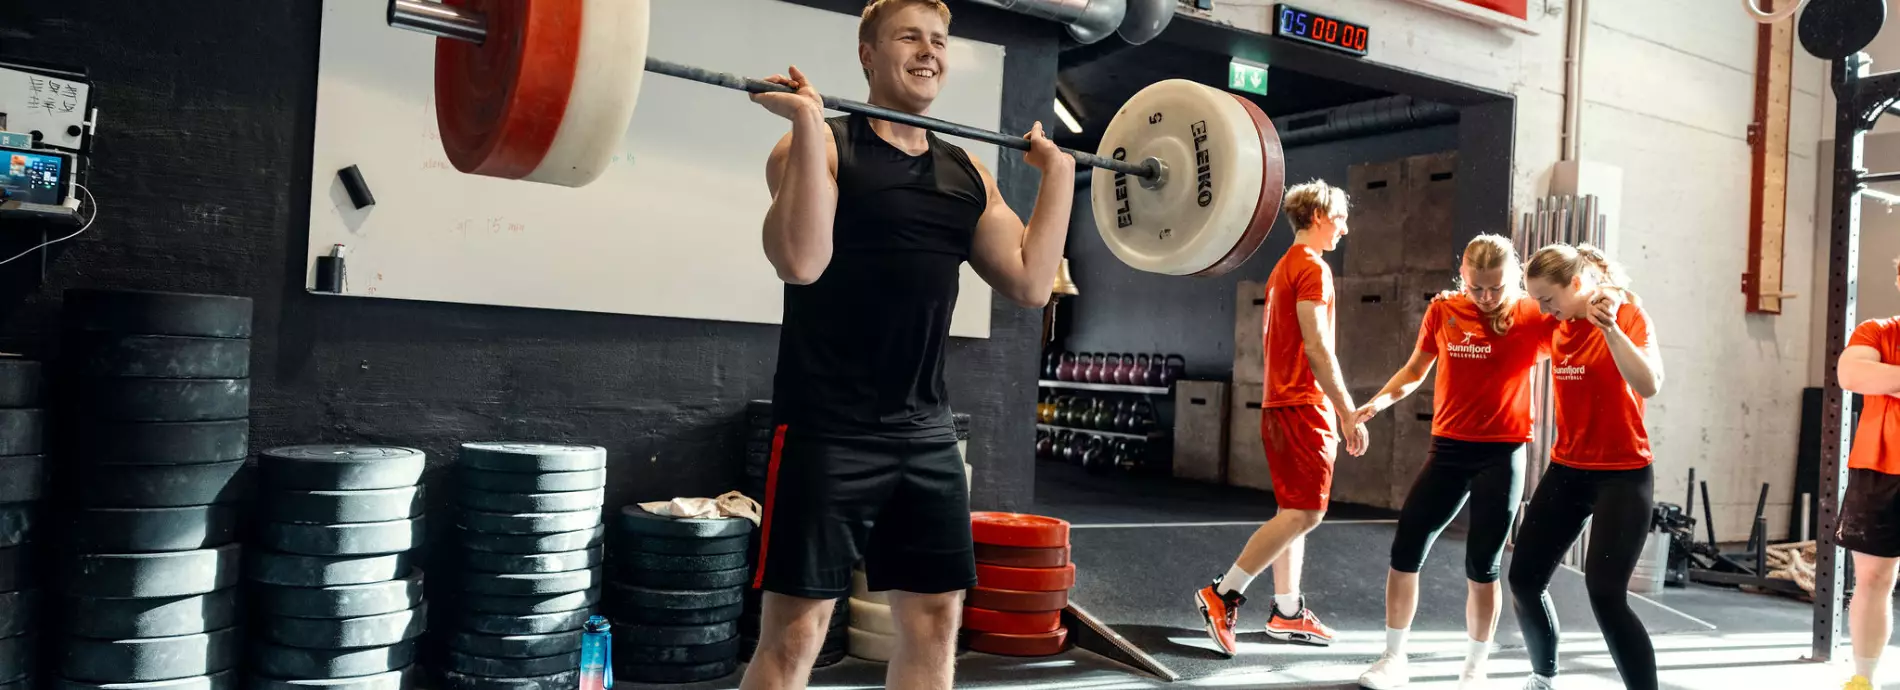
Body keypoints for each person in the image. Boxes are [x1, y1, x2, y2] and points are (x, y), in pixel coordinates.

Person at [741, 1, 1074, 689]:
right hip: (826, 429)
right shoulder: (824, 145)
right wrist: (805, 123)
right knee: (795, 636)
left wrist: (1060, 176)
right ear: (868, 55)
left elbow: (1030, 281)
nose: (929, 52)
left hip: (925, 432)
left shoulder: (966, 172)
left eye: (939, 41)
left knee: (934, 624)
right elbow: (800, 261)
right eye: (909, 37)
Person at [1348, 235, 1556, 689]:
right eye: (1476, 287)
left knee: (1483, 564)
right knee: (1406, 548)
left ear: (1513, 278)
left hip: (1503, 452)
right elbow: (1414, 369)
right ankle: (1393, 658)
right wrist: (1379, 403)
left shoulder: (1532, 315)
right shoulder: (1444, 310)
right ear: (1462, 276)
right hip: (1449, 450)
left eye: (1495, 287)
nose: (1485, 297)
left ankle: (1475, 668)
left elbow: (1575, 324)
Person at [1195, 180, 1368, 657]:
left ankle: (1287, 612)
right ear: (1318, 216)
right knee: (1306, 512)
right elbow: (1318, 348)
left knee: (1293, 511)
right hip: (1301, 405)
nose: (1344, 229)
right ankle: (1223, 593)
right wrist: (1348, 412)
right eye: (1340, 219)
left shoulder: (1283, 268)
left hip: (1282, 405)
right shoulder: (1312, 268)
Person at [1507, 243, 1663, 690]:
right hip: (1568, 471)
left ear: (1575, 283)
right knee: (1524, 580)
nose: (1543, 309)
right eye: (1537, 301)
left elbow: (1649, 384)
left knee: (1606, 594)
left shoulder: (1627, 313)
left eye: (1548, 299)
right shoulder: (1554, 320)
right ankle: (1543, 678)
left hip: (1624, 474)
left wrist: (1610, 328)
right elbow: (1501, 312)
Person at [1834, 256, 1900, 690]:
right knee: (1874, 578)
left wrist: (1889, 380)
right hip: (1880, 469)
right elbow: (1852, 373)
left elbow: (1876, 378)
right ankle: (1864, 678)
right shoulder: (1877, 331)